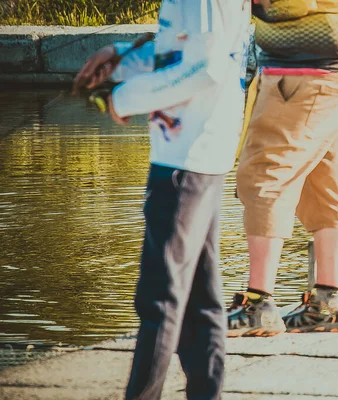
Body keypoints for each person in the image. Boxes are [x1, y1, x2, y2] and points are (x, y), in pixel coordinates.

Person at [73, 0, 251, 398]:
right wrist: (121, 58)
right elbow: (182, 52)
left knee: (160, 298)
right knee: (198, 301)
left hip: (185, 161)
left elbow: (205, 68)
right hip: (192, 154)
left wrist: (126, 97)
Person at [226, 0, 338, 337]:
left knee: (264, 176)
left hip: (305, 74)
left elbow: (284, 5)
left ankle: (257, 305)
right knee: (323, 179)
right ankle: (326, 303)